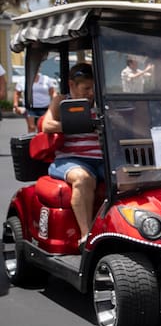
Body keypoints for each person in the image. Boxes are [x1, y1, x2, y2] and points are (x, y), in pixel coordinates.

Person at [42, 62, 103, 246]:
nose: (90, 93)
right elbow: (47, 125)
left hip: (101, 159)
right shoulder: (61, 101)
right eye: (86, 88)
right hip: (70, 159)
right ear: (72, 85)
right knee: (83, 179)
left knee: (129, 178)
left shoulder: (101, 102)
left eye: (93, 88)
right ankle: (87, 237)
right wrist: (76, 125)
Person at [24, 68, 58, 133]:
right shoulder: (24, 79)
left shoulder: (46, 79)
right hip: (31, 108)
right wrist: (16, 105)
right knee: (31, 127)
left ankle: (42, 142)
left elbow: (52, 92)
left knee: (43, 127)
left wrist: (54, 103)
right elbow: (17, 92)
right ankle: (31, 142)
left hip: (45, 107)